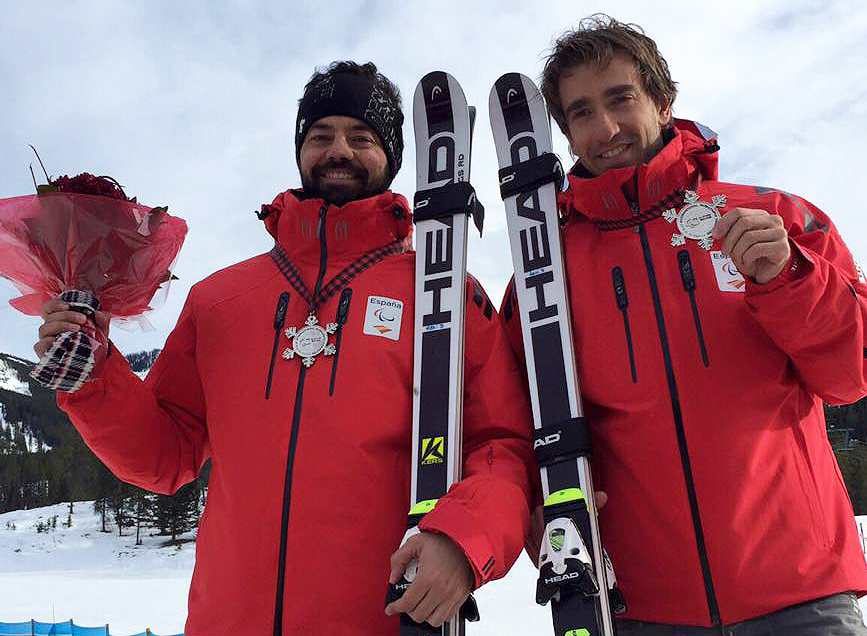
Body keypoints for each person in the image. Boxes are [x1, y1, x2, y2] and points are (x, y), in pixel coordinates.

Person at [36, 61, 535, 636]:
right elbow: (165, 456)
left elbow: (504, 444)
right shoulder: (219, 299)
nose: (338, 150)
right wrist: (94, 380)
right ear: (300, 149)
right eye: (320, 135)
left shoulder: (446, 291)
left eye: (361, 136)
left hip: (387, 620)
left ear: (391, 157)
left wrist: (464, 539)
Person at [502, 15, 867, 636]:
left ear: (663, 101)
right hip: (646, 609)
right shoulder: (545, 273)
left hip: (801, 596)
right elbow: (517, 420)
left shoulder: (773, 218)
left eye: (621, 99)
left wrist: (789, 279)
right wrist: (541, 505)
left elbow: (850, 376)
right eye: (583, 113)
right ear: (565, 134)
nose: (607, 129)